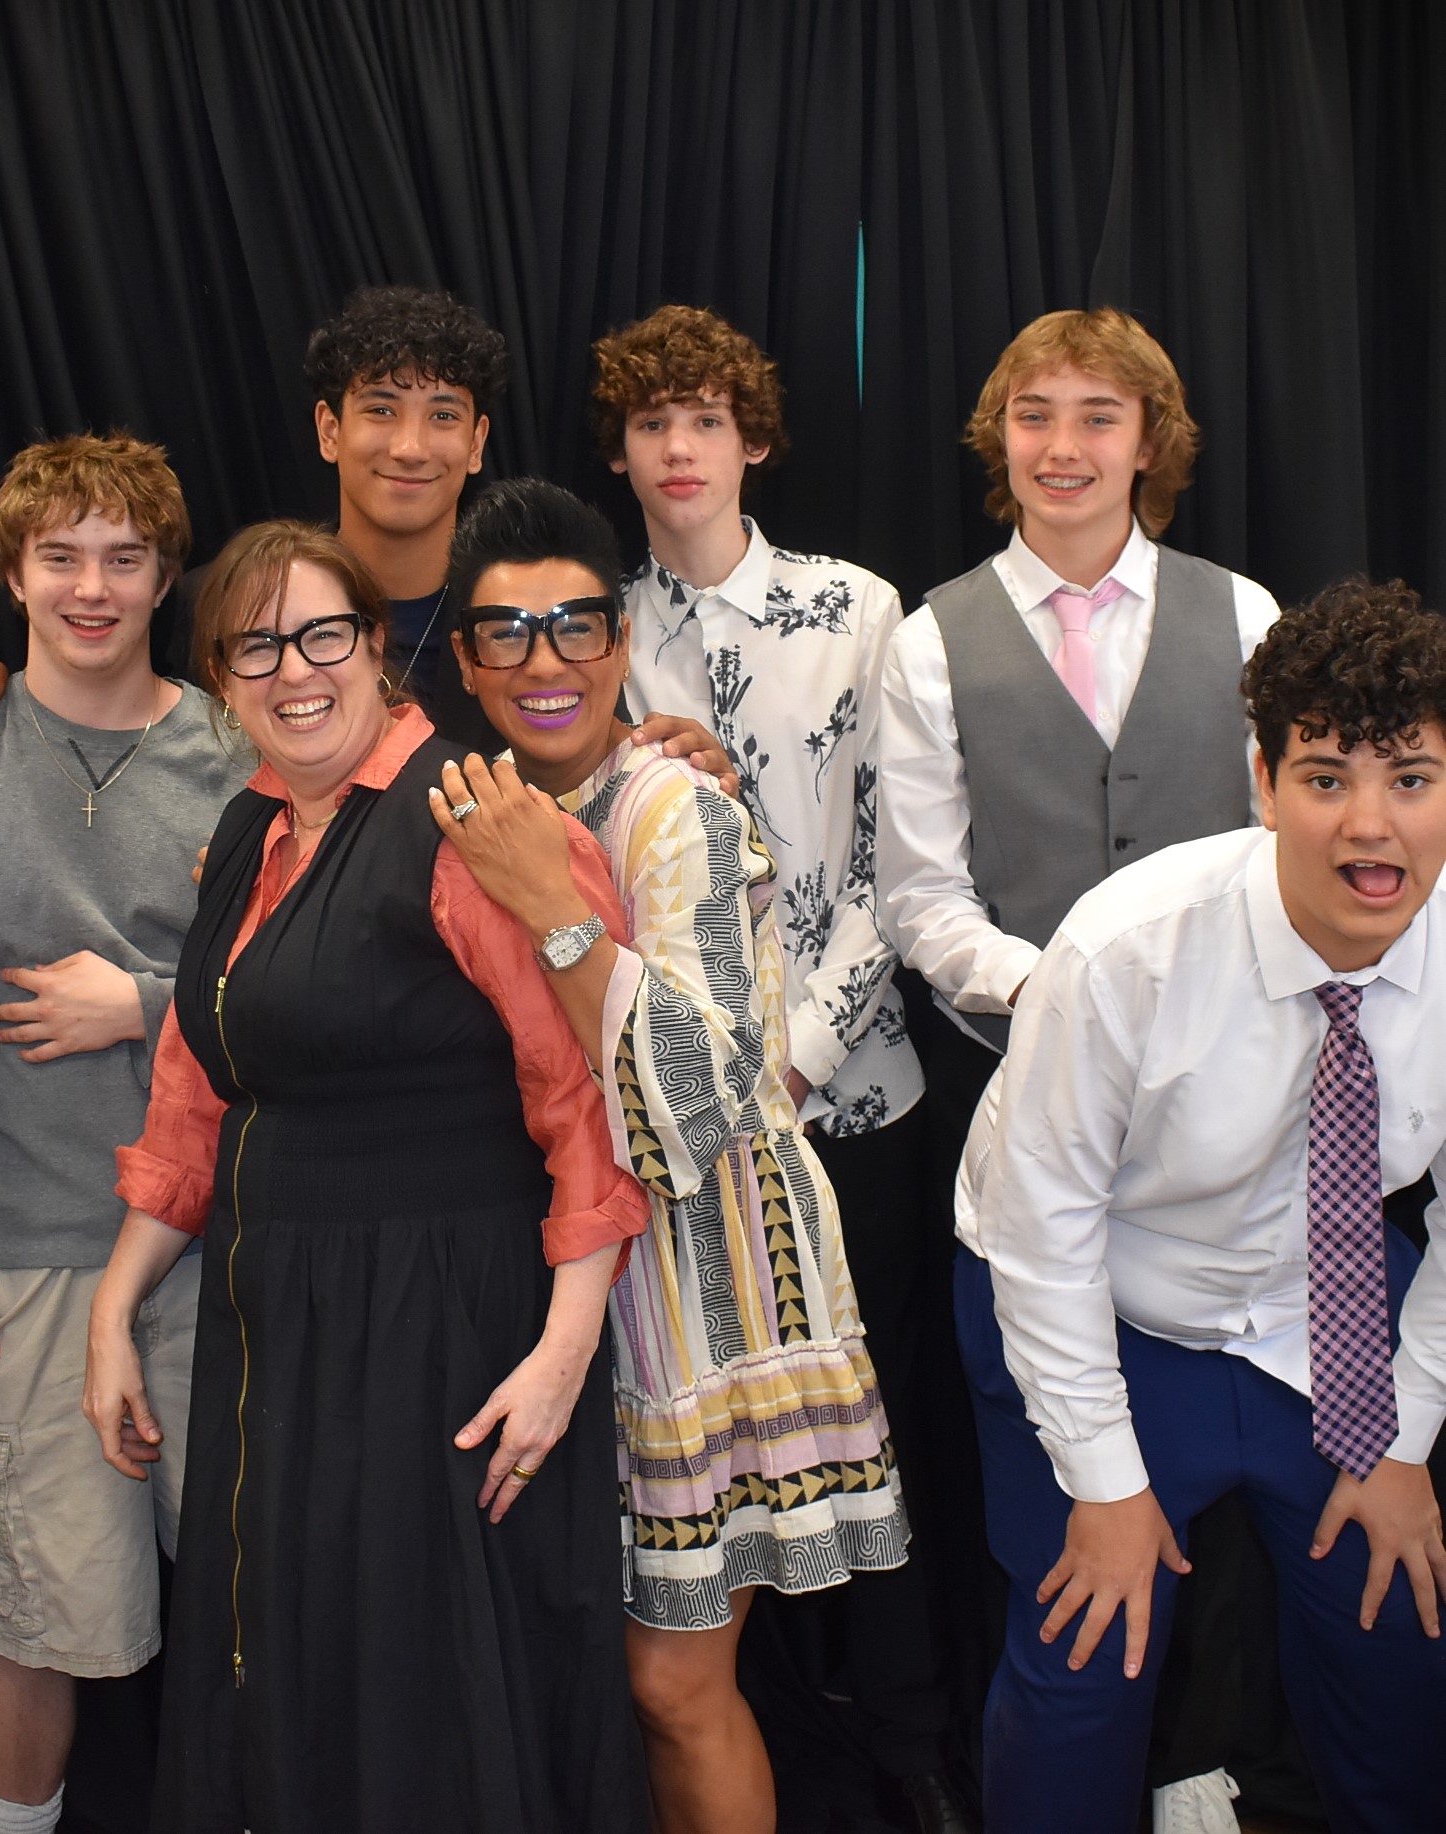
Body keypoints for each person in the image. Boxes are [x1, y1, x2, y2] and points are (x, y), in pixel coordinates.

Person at [81, 520, 652, 1832]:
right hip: (284, 1331)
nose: (294, 670)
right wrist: (114, 1308)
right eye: (255, 645)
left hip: (446, 1329)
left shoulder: (473, 819)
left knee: (429, 1686)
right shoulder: (249, 831)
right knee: (303, 1667)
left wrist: (563, 1353)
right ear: (220, 679)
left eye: (321, 634)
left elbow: (586, 1101)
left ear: (376, 646)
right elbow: (197, 1090)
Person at [428, 478, 909, 1834]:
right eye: (508, 632)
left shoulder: (670, 808)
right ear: (466, 657)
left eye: (575, 625)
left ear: (620, 638)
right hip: (574, 1266)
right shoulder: (471, 801)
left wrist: (554, 908)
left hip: (715, 1280)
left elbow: (695, 1103)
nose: (545, 662)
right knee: (601, 1672)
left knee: (673, 1680)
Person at [876, 306, 1284, 1827]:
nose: (1063, 446)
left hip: (1228, 1114)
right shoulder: (932, 639)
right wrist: (1073, 997)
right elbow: (921, 901)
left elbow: (1287, 845)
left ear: (1148, 440)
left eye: (1097, 416)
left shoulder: (1242, 614)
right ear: (1000, 441)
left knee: (1233, 1436)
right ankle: (1068, 1765)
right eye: (1034, 415)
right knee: (1058, 1469)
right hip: (1025, 1111)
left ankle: (1201, 1762)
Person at [955, 577, 1446, 1834]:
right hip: (1098, 1299)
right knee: (1085, 1658)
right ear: (1262, 781)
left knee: (1398, 1636)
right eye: (1325, 777)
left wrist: (1405, 1438)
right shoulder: (1126, 948)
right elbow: (1043, 1230)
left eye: (1411, 777)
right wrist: (1104, 1480)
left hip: (1322, 1299)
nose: (1369, 825)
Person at [592, 305, 973, 1832]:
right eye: (649, 423)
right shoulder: (594, 628)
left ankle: (911, 1739)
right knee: (717, 1453)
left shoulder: (855, 607)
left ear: (752, 439)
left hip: (850, 1098)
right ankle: (740, 1737)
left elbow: (899, 859)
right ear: (620, 451)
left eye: (704, 419)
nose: (677, 448)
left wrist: (797, 1058)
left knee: (877, 1427)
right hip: (672, 1130)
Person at [0, 434, 251, 1834]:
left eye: (122, 558)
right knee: (30, 1613)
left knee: (259, 1604)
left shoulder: (243, 752)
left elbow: (311, 988)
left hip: (220, 1252)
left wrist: (144, 1005)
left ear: (167, 576)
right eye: (60, 557)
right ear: (12, 573)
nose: (91, 588)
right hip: (21, 1257)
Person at [0, 284, 509, 760]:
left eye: (442, 416)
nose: (409, 447)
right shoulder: (215, 603)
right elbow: (111, 695)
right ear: (329, 430)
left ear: (477, 442)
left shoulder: (522, 618)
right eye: (380, 409)